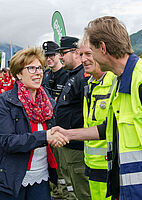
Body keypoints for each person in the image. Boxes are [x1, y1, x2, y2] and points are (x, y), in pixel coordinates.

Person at [52, 16, 142, 200]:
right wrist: (69, 134)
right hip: (131, 190)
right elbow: (111, 128)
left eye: (91, 51)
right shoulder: (121, 79)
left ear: (102, 48)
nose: (88, 58)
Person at [0, 47, 68, 200]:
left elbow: (53, 131)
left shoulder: (47, 101)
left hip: (42, 177)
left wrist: (59, 136)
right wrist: (45, 137)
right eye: (31, 68)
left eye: (40, 68)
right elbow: (7, 142)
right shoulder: (5, 102)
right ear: (18, 73)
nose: (38, 73)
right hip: (14, 178)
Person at [78, 38, 116, 199]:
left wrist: (69, 134)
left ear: (102, 52)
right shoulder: (90, 83)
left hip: (110, 167)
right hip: (92, 164)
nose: (83, 59)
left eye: (88, 53)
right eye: (80, 54)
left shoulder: (115, 82)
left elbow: (110, 128)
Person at [55, 36, 91, 200]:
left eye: (63, 52)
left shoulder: (84, 77)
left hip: (78, 144)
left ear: (76, 53)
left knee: (83, 191)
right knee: (73, 188)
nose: (60, 56)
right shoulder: (73, 75)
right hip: (68, 142)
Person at [42, 41, 75, 200]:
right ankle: (56, 193)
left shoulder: (67, 75)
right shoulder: (46, 76)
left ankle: (66, 195)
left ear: (59, 56)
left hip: (63, 130)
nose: (49, 59)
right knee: (51, 166)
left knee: (64, 168)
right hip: (48, 128)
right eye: (46, 55)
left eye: (52, 55)